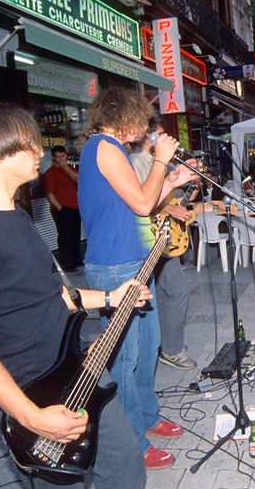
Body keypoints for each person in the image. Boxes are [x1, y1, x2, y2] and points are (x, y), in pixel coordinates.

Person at [0, 102, 149, 489]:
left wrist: (110, 296)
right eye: (29, 143)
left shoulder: (16, 215)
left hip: (78, 369)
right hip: (34, 392)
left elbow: (54, 296)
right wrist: (31, 416)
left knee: (125, 469)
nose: (40, 149)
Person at [78, 88, 195, 469]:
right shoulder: (104, 147)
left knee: (148, 348)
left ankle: (147, 415)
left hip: (134, 261)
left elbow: (141, 200)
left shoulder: (113, 150)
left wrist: (171, 181)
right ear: (123, 116)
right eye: (142, 122)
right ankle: (134, 443)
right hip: (115, 267)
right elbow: (144, 204)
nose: (146, 130)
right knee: (125, 360)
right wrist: (160, 160)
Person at [129, 115, 197, 371]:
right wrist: (169, 207)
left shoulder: (161, 163)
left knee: (163, 293)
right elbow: (141, 200)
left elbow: (175, 195)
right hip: (151, 236)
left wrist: (193, 181)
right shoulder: (137, 162)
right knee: (177, 291)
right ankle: (170, 349)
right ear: (148, 136)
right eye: (160, 134)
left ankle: (165, 344)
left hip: (164, 236)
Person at [42, 145, 82, 272]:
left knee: (75, 235)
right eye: (58, 157)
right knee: (65, 236)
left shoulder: (69, 168)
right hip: (61, 208)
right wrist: (60, 208)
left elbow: (78, 179)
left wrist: (65, 168)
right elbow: (49, 194)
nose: (60, 159)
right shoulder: (50, 173)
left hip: (74, 206)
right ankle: (67, 264)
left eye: (62, 156)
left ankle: (77, 260)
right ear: (53, 158)